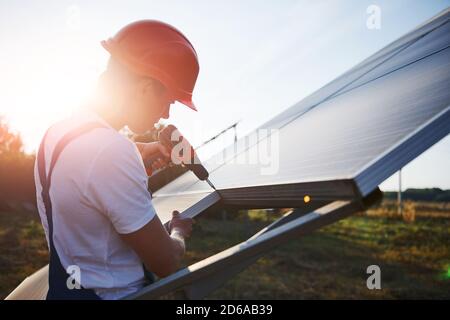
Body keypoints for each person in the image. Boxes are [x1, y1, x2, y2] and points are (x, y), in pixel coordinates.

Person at [34, 20, 199, 300]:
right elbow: (167, 262)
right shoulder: (111, 151)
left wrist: (138, 152)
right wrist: (179, 232)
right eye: (169, 100)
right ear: (146, 88)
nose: (167, 115)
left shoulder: (57, 133)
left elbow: (89, 172)